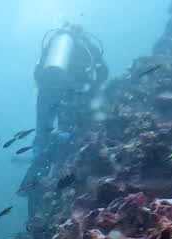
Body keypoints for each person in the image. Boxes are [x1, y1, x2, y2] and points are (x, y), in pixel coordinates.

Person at [23, 23, 108, 214]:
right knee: (66, 133)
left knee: (41, 136)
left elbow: (37, 73)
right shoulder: (84, 44)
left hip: (44, 94)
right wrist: (90, 90)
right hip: (69, 93)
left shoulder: (53, 42)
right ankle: (61, 172)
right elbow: (103, 71)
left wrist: (48, 89)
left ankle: (33, 184)